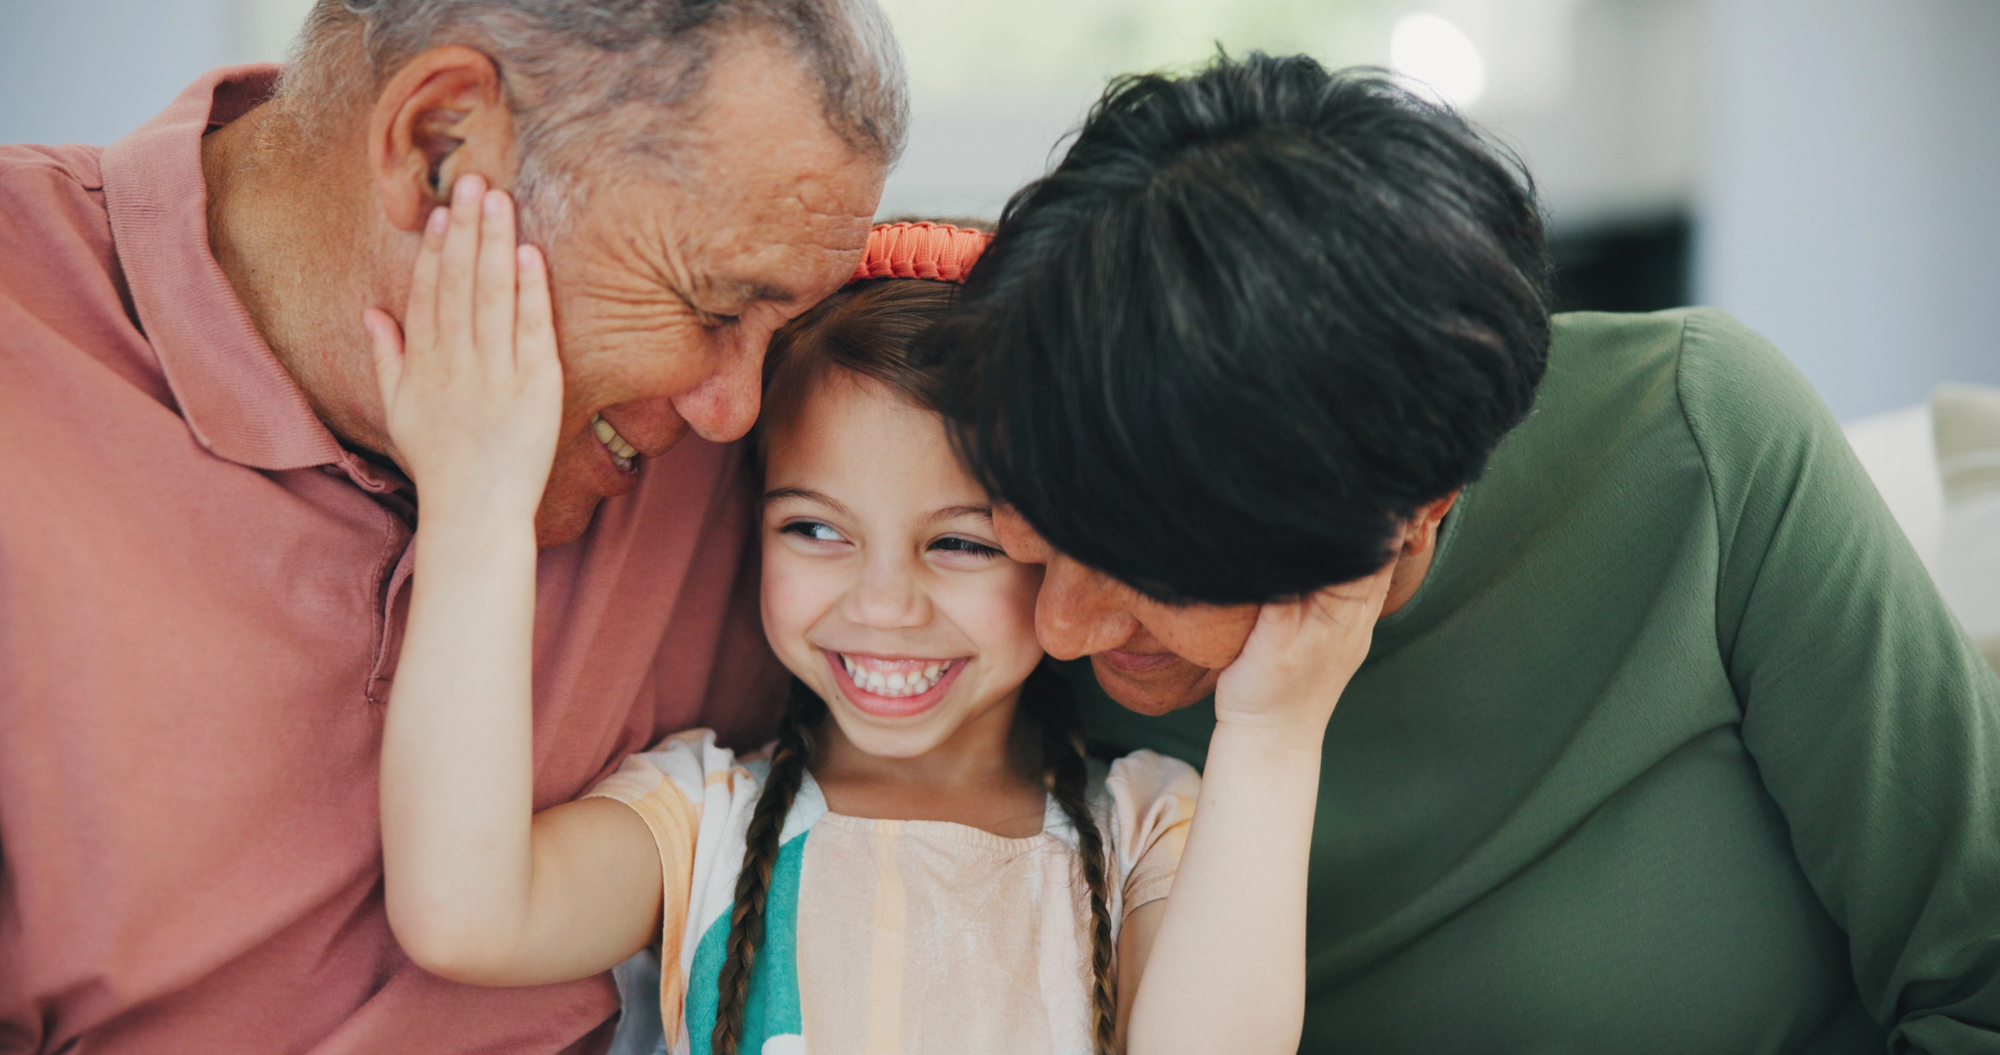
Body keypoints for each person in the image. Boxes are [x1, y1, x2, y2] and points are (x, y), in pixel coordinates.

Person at [931, 54, 2000, 1051]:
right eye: (1027, 529)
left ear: (1414, 507)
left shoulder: (1700, 438)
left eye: (1149, 577)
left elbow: (1976, 980)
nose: (1057, 628)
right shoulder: (982, 587)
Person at [0, 0, 903, 1050]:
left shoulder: (806, 463)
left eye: (780, 323)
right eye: (711, 308)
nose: (738, 411)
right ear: (440, 147)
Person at [366, 213, 1379, 1055]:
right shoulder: (700, 816)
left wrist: (1274, 731)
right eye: (814, 528)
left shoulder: (1143, 825)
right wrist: (477, 508)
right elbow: (464, 911)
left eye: (960, 543)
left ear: (1067, 550)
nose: (883, 604)